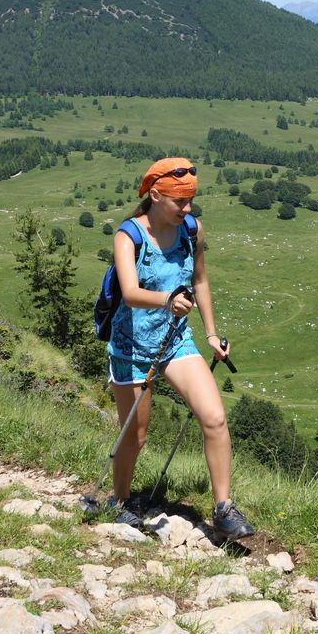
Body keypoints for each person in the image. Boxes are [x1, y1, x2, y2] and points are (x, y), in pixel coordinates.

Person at [106, 157, 254, 540]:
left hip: (175, 340)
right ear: (155, 195)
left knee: (215, 418)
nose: (187, 209)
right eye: (180, 202)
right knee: (135, 436)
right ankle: (120, 501)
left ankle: (223, 508)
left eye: (190, 201)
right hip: (130, 347)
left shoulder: (191, 230)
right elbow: (130, 293)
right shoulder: (129, 236)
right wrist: (168, 299)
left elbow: (200, 281)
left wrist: (209, 334)